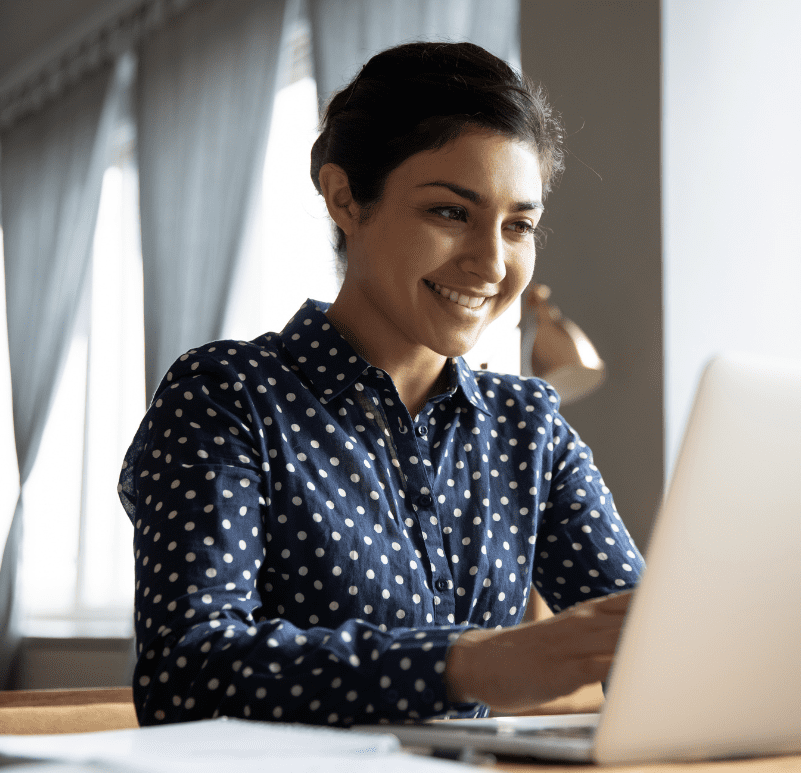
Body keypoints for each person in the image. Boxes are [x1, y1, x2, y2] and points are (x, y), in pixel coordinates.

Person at [118, 41, 645, 726]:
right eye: (451, 212)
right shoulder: (226, 397)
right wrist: (467, 663)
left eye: (519, 225)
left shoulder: (529, 426)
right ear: (345, 198)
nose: (491, 263)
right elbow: (184, 674)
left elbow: (644, 640)